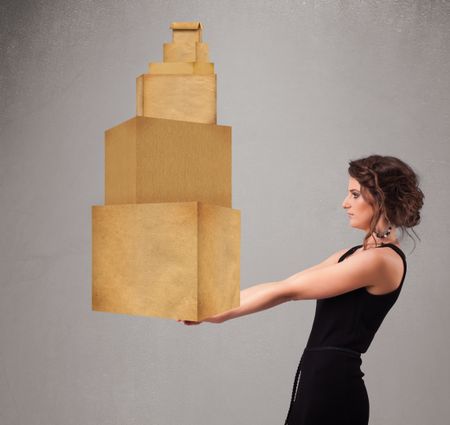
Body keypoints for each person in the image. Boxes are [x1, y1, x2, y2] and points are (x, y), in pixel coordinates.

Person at [178, 154, 425, 425]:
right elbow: (284, 284)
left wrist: (218, 312)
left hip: (334, 389)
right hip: (317, 381)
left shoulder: (380, 261)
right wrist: (211, 303)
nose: (345, 203)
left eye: (355, 195)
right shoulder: (353, 254)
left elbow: (288, 291)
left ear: (381, 199)